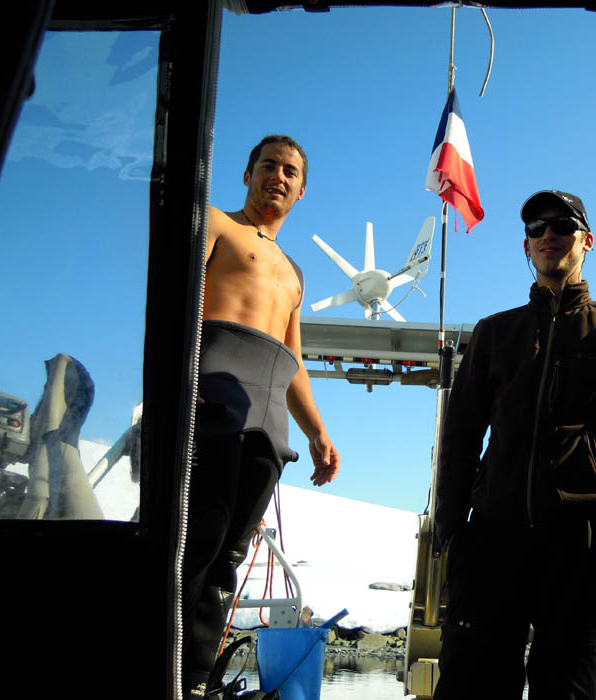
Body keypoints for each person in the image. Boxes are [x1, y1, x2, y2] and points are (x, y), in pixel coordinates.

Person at [434, 190, 596, 700]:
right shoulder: (495, 333)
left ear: (587, 241)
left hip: (584, 546)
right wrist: (452, 532)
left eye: (562, 225)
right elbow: (460, 437)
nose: (548, 235)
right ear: (526, 246)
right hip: (493, 541)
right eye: (536, 228)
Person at [183, 134, 340, 698]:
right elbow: (176, 301)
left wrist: (317, 432)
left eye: (290, 171)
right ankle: (163, 668)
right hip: (213, 395)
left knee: (230, 555)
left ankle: (196, 680)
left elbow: (294, 359)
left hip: (269, 415)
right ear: (247, 174)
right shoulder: (215, 223)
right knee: (198, 539)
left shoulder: (294, 272)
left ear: (301, 191)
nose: (279, 176)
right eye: (269, 165)